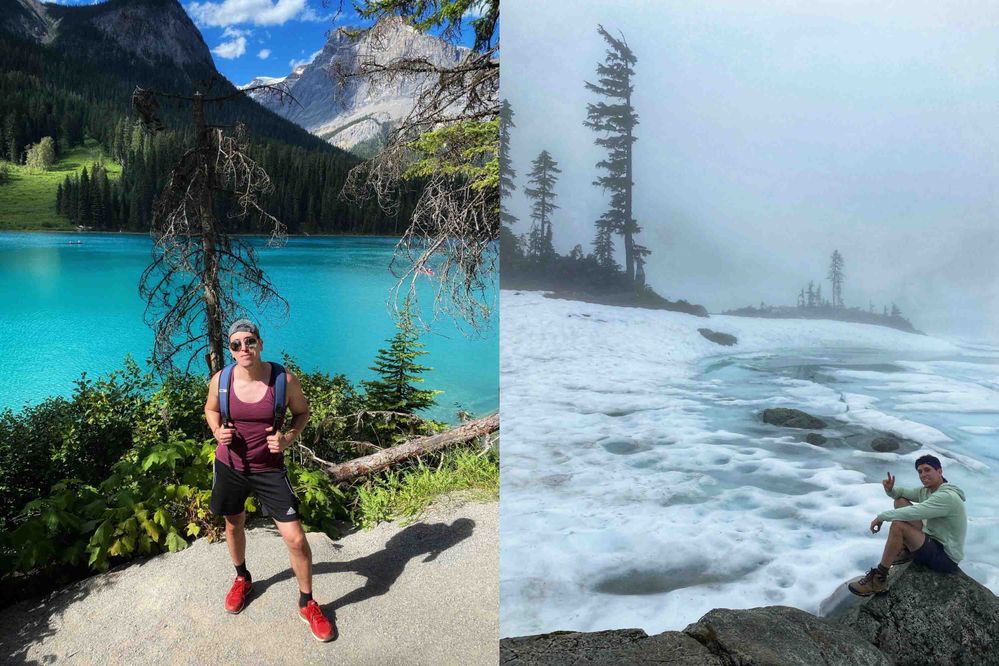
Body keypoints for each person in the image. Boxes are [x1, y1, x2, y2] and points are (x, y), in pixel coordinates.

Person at [204, 319, 335, 642]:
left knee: (295, 538)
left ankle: (307, 602)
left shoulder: (283, 380)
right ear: (231, 350)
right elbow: (210, 410)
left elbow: (302, 413)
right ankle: (242, 578)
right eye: (236, 344)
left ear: (260, 344)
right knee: (234, 524)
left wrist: (288, 438)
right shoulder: (220, 381)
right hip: (230, 466)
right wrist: (216, 431)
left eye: (249, 341)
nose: (243, 348)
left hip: (270, 470)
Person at [849, 454, 967, 596]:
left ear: (940, 471)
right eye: (920, 471)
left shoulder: (947, 497)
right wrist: (891, 490)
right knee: (900, 501)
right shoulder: (927, 491)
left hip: (945, 557)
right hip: (932, 539)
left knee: (898, 526)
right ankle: (906, 550)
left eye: (927, 470)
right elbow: (903, 493)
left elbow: (915, 512)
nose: (923, 474)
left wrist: (881, 517)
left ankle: (879, 579)